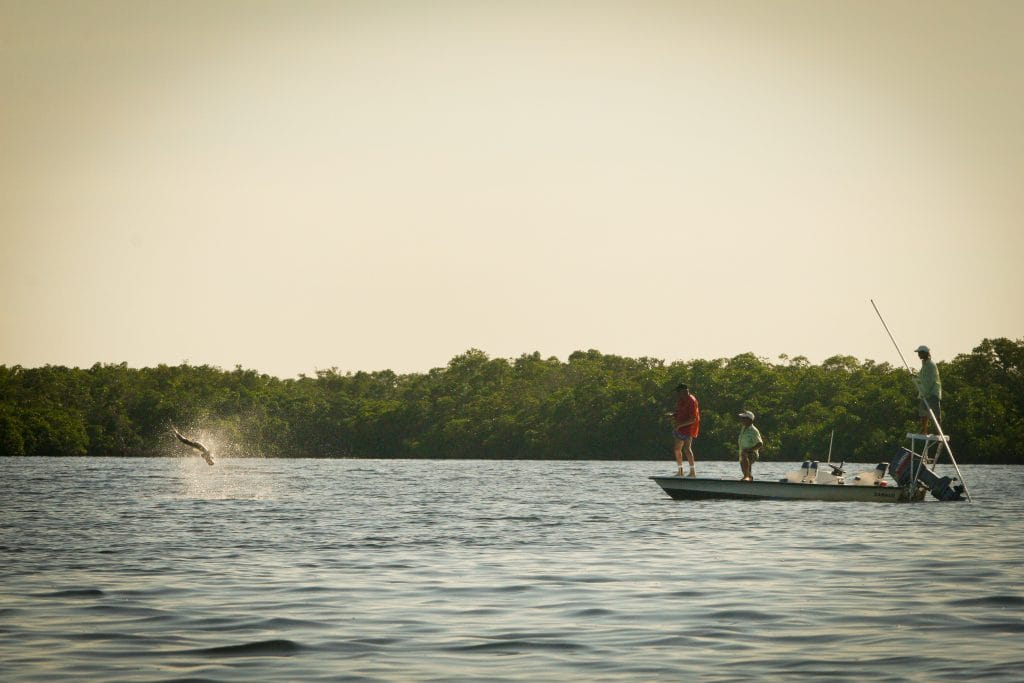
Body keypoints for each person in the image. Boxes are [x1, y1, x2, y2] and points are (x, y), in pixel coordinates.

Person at [668, 383, 700, 477]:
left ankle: (692, 472)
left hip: (689, 427)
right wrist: (673, 415)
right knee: (677, 449)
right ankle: (680, 471)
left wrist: (680, 425)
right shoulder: (681, 399)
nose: (678, 394)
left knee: (687, 448)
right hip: (680, 427)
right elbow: (679, 411)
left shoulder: (692, 400)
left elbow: (693, 419)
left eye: (679, 392)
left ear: (685, 391)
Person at [913, 345, 942, 434]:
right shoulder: (924, 364)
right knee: (923, 411)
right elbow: (922, 376)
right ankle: (924, 430)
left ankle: (938, 431)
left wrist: (924, 392)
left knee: (935, 413)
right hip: (925, 392)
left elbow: (929, 381)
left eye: (920, 353)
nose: (918, 355)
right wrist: (915, 375)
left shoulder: (931, 365)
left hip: (932, 392)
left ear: (925, 353)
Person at [736, 411, 763, 481]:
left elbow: (760, 443)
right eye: (741, 418)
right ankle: (749, 478)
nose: (742, 420)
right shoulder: (743, 428)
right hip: (743, 453)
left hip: (751, 453)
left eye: (744, 418)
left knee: (744, 454)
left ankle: (747, 476)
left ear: (750, 420)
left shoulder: (753, 430)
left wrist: (749, 450)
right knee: (746, 470)